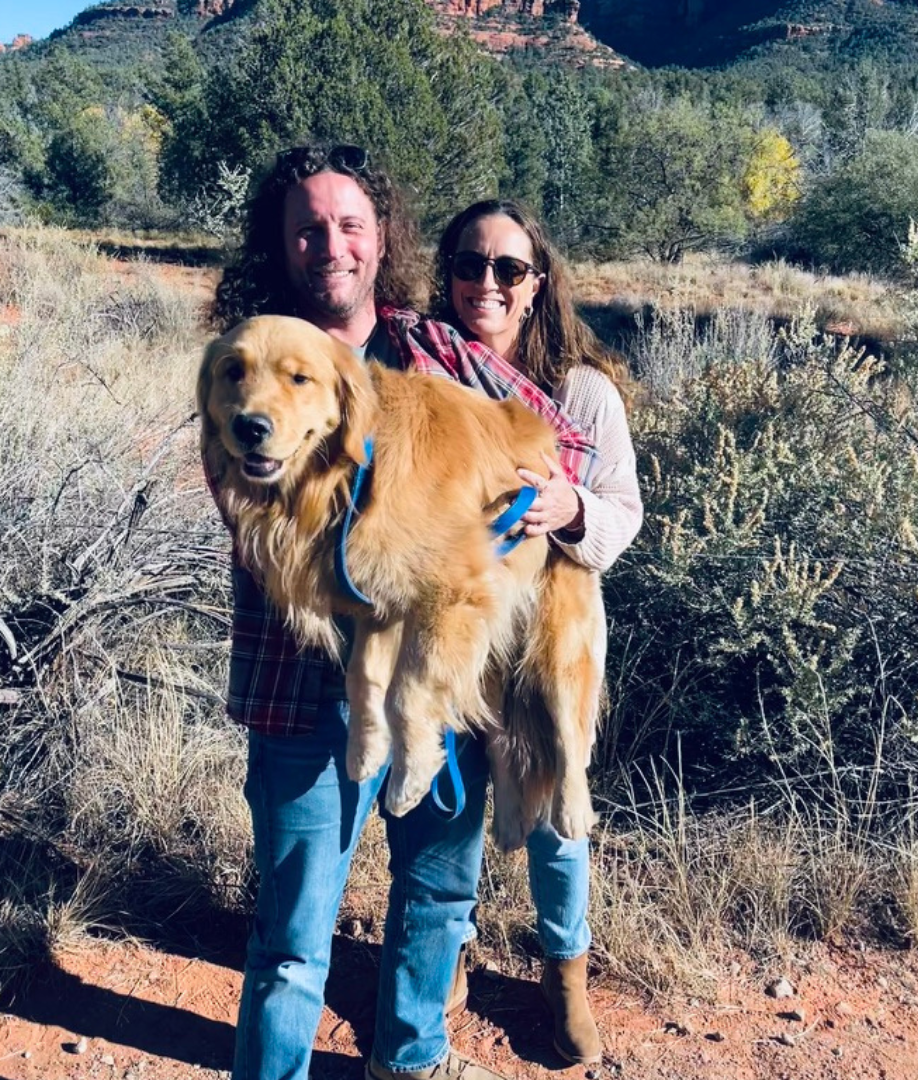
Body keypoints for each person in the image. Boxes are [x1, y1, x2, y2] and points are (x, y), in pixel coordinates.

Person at [210, 146, 595, 1080]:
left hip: (434, 679)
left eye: (349, 225)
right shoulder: (248, 359)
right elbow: (234, 474)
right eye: (308, 227)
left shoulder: (432, 351)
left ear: (382, 240)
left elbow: (563, 443)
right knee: (293, 939)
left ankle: (410, 1062)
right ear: (282, 242)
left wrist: (538, 506)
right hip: (299, 694)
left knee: (434, 901)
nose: (329, 245)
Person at [426, 199, 644, 1066]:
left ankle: (565, 975)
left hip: (552, 634)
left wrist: (571, 506)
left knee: (560, 811)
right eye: (470, 265)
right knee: (447, 805)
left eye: (507, 269)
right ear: (447, 275)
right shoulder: (424, 373)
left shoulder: (581, 391)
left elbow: (622, 513)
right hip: (456, 626)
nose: (487, 282)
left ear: (536, 285)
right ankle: (445, 960)